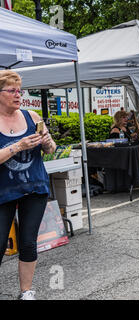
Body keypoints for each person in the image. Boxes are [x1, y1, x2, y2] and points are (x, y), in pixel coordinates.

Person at [0, 70, 56, 300]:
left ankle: (26, 291)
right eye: (12, 90)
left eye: (19, 91)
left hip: (34, 188)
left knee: (28, 242)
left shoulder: (32, 116)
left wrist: (48, 142)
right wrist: (18, 146)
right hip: (3, 191)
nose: (17, 95)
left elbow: (49, 149)